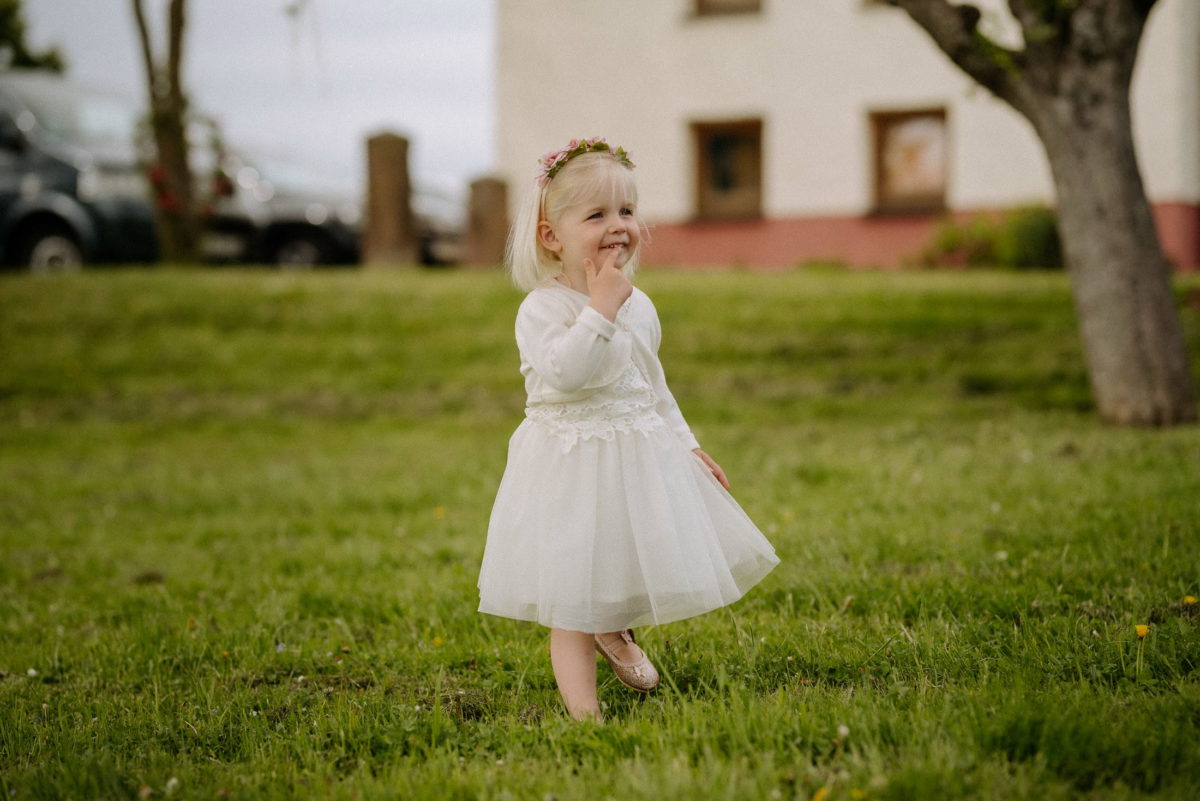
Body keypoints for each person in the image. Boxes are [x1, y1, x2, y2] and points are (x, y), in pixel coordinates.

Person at [476, 138, 780, 722]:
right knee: (572, 586)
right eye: (596, 215)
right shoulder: (543, 308)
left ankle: (613, 629)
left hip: (636, 451)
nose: (618, 226)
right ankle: (586, 715)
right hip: (568, 462)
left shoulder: (639, 304)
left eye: (627, 211)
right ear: (551, 236)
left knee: (625, 556)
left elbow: (654, 386)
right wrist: (600, 307)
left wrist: (689, 446)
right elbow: (566, 374)